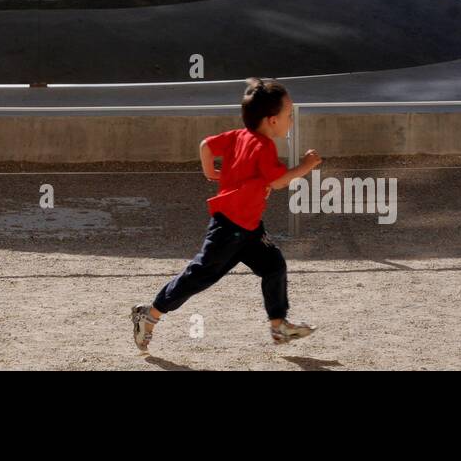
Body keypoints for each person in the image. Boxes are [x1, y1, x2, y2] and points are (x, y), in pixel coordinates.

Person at [131, 79, 321, 352]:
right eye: (288, 115)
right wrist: (305, 165)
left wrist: (211, 172)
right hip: (229, 228)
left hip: (249, 227)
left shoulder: (239, 135)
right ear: (271, 120)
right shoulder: (264, 146)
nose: (291, 120)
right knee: (200, 276)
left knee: (274, 265)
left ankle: (279, 326)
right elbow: (279, 181)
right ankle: (148, 315)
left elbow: (206, 146)